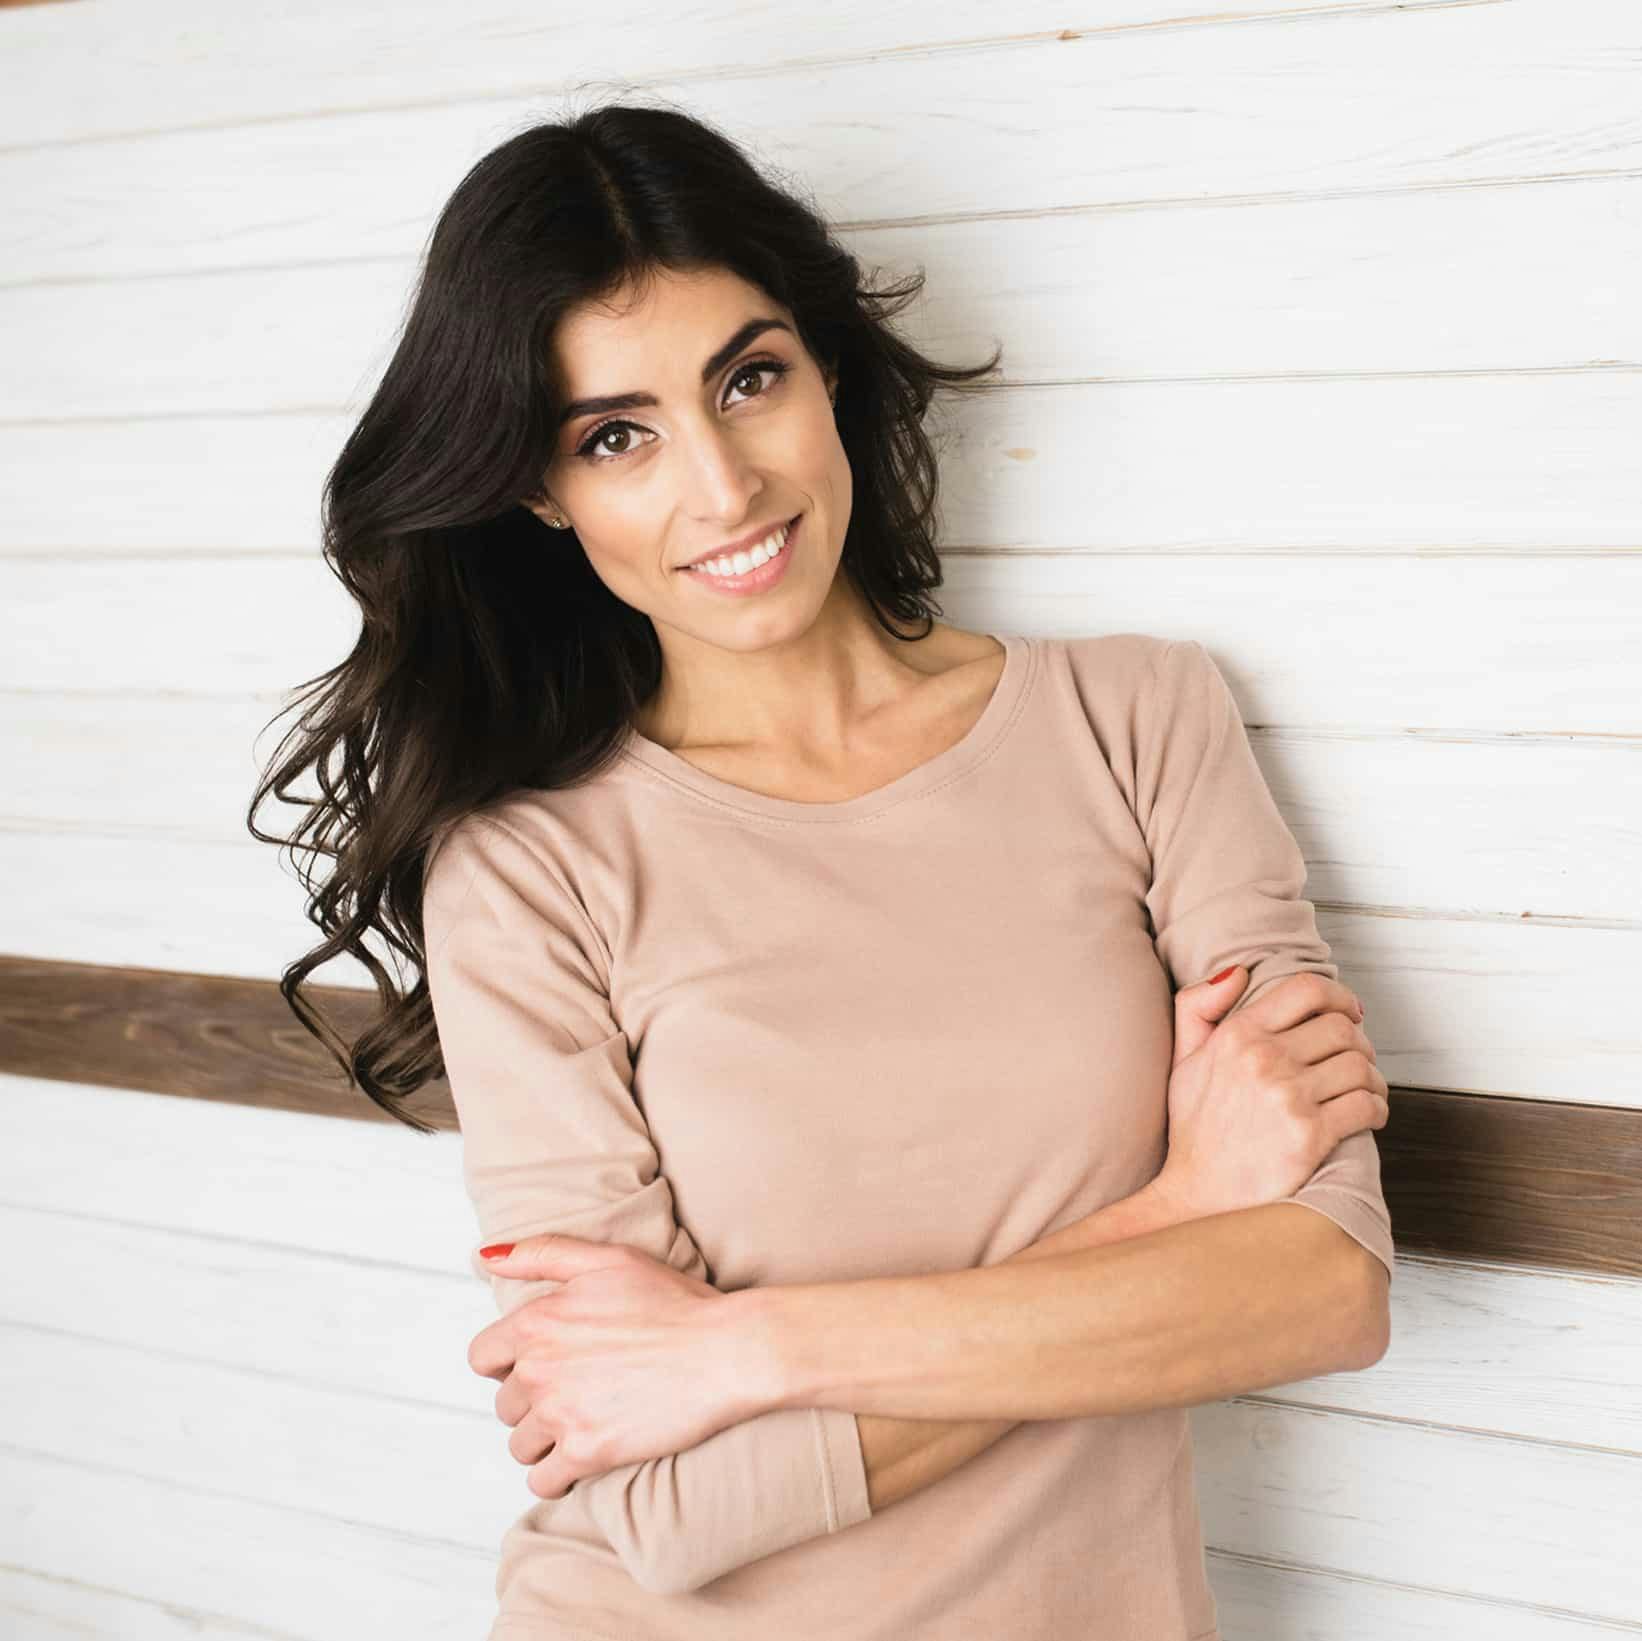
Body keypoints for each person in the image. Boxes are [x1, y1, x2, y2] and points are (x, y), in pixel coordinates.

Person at [251, 99, 1393, 1641]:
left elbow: (1320, 1287)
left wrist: (743, 1349)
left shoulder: (1135, 720)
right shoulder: (529, 869)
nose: (721, 488)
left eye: (749, 379)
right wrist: (1176, 1207)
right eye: (616, 434)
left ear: (826, 370)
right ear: (540, 488)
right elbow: (668, 1509)